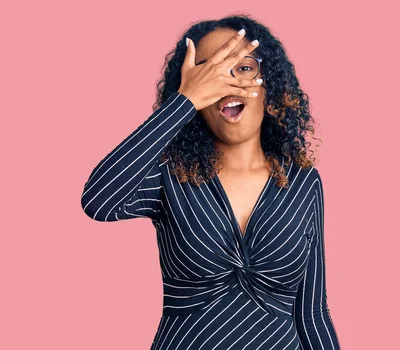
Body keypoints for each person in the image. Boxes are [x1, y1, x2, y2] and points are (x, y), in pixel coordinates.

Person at [80, 14, 341, 350]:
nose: (226, 84)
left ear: (270, 85)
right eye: (209, 74)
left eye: (243, 68)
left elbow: (312, 313)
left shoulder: (303, 183)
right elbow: (99, 201)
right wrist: (183, 102)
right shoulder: (170, 177)